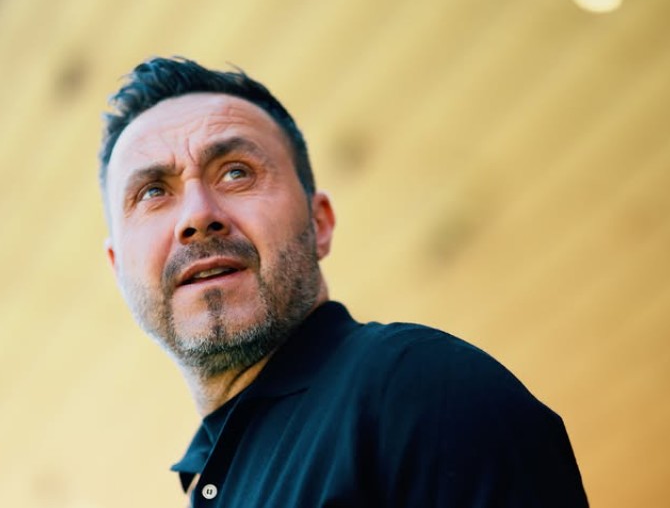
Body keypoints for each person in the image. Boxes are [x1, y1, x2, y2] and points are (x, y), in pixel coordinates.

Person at [99, 56, 589, 507]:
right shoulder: (212, 479)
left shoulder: (417, 389)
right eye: (153, 192)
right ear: (118, 267)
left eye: (235, 173)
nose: (198, 215)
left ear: (320, 223)